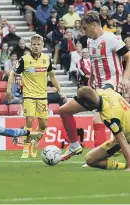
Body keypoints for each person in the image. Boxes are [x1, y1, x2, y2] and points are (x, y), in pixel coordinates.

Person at [59, 11, 130, 161]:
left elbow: (128, 57)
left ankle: (99, 158)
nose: (82, 31)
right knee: (64, 110)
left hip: (112, 87)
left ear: (93, 25)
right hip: (96, 88)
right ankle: (74, 145)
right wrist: (91, 79)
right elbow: (94, 62)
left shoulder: (112, 39)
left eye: (85, 28)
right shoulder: (90, 41)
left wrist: (125, 79)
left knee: (98, 120)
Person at [6, 34, 65, 159]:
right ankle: (26, 147)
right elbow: (12, 74)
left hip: (42, 96)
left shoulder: (46, 59)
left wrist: (60, 91)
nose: (36, 47)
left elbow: (52, 76)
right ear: (30, 45)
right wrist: (8, 91)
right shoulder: (24, 60)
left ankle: (35, 143)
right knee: (30, 120)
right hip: (29, 96)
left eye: (39, 44)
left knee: (43, 124)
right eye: (34, 44)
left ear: (42, 45)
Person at [60, 86, 130, 171]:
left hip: (127, 138)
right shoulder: (105, 92)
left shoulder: (109, 116)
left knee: (121, 141)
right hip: (125, 135)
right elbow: (87, 92)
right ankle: (121, 166)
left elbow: (122, 139)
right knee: (90, 159)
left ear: (87, 105)